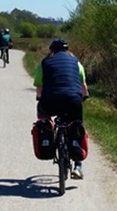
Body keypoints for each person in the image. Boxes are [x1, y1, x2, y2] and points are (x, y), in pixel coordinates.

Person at [33, 38, 88, 179]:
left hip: (50, 101)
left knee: (43, 116)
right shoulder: (76, 62)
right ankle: (78, 166)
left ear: (52, 49)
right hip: (72, 100)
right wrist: (84, 97)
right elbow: (83, 86)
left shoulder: (45, 62)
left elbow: (39, 86)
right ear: (67, 49)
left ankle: (47, 135)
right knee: (76, 126)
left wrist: (40, 98)